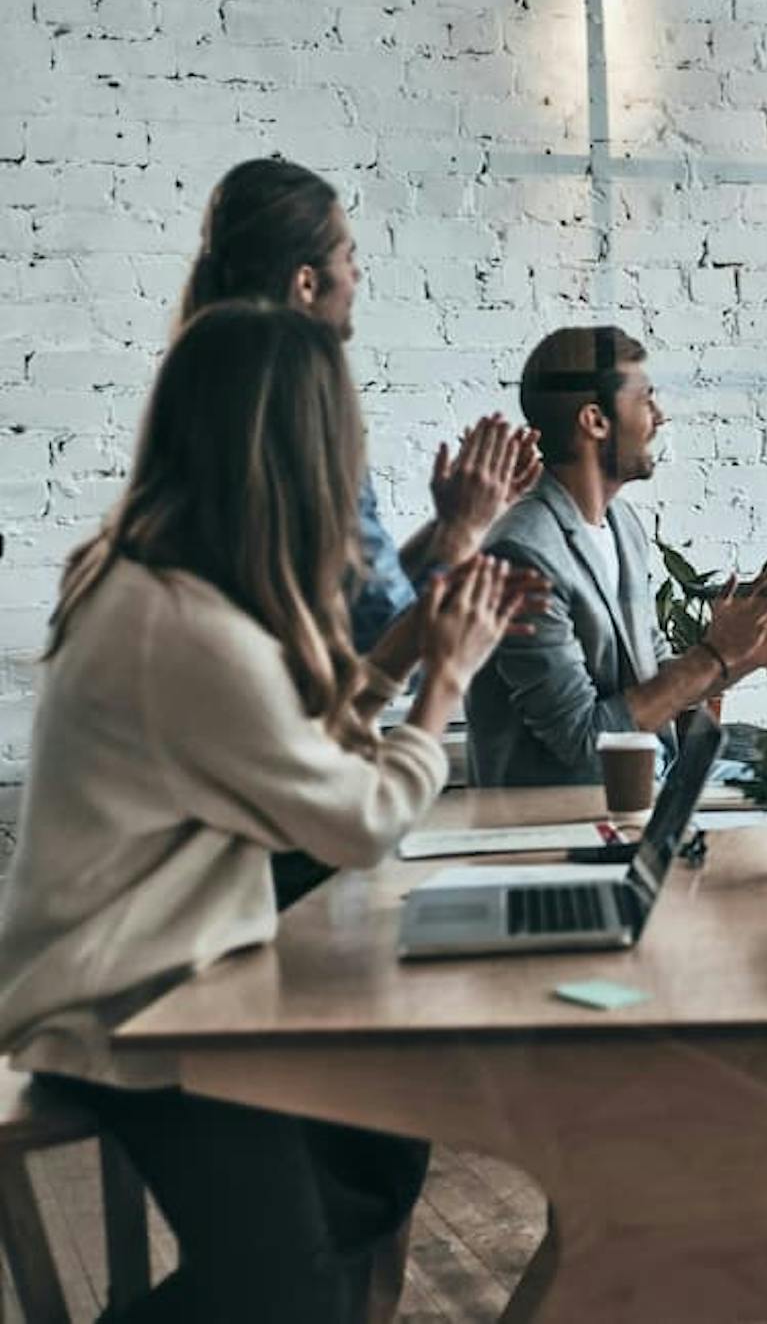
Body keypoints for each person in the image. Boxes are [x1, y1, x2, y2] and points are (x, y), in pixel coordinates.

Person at [0, 302, 534, 1323]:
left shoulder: (174, 593)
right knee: (290, 1293)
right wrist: (445, 677)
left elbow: (300, 751)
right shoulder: (178, 625)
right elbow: (358, 820)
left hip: (195, 977)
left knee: (374, 1168)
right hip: (120, 1004)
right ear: (297, 449)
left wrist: (413, 644)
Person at [178, 156, 543, 654]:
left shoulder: (207, 394)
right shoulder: (301, 421)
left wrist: (450, 523)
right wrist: (464, 531)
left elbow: (356, 599)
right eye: (348, 256)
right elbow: (388, 648)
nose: (358, 274)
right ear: (307, 282)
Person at [465, 325, 767, 787]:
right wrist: (715, 654)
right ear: (596, 421)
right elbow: (585, 747)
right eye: (645, 399)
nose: (659, 417)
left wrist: (744, 655)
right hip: (564, 816)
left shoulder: (622, 526)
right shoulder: (523, 554)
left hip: (650, 786)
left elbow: (653, 678)